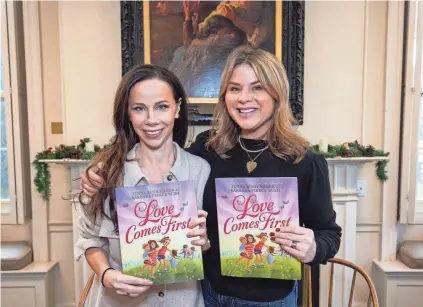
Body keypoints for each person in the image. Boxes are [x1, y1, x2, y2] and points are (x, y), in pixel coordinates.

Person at [81, 45, 342, 306]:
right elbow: (157, 153)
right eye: (235, 88)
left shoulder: (304, 161)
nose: (244, 98)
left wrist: (314, 248)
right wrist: (104, 168)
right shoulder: (208, 151)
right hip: (208, 294)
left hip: (271, 299)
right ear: (224, 95)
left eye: (257, 87)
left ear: (277, 94)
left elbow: (329, 234)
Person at [75, 64, 211, 306]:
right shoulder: (105, 175)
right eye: (139, 108)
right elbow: (89, 240)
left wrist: (206, 242)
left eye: (162, 107)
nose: (151, 120)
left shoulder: (202, 170)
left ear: (177, 109)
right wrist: (107, 275)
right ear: (127, 113)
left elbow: (216, 243)